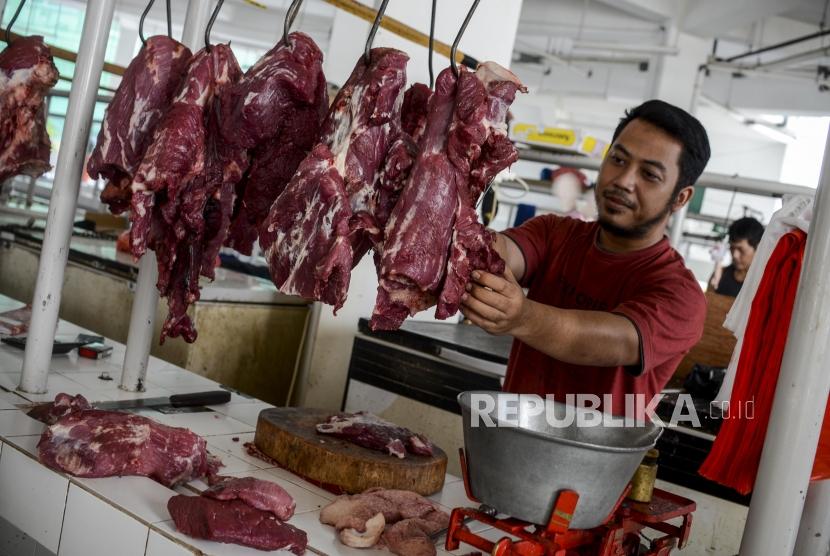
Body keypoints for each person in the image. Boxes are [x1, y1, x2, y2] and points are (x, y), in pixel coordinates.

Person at [460, 99, 710, 416]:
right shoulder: (555, 232)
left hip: (594, 462)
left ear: (681, 197)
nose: (624, 180)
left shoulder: (681, 295)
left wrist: (522, 317)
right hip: (510, 443)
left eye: (649, 174)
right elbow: (499, 254)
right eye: (618, 159)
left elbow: (607, 342)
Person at [708, 217, 765, 297]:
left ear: (758, 247)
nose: (735, 255)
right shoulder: (720, 276)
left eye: (741, 249)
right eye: (732, 248)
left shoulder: (764, 282)